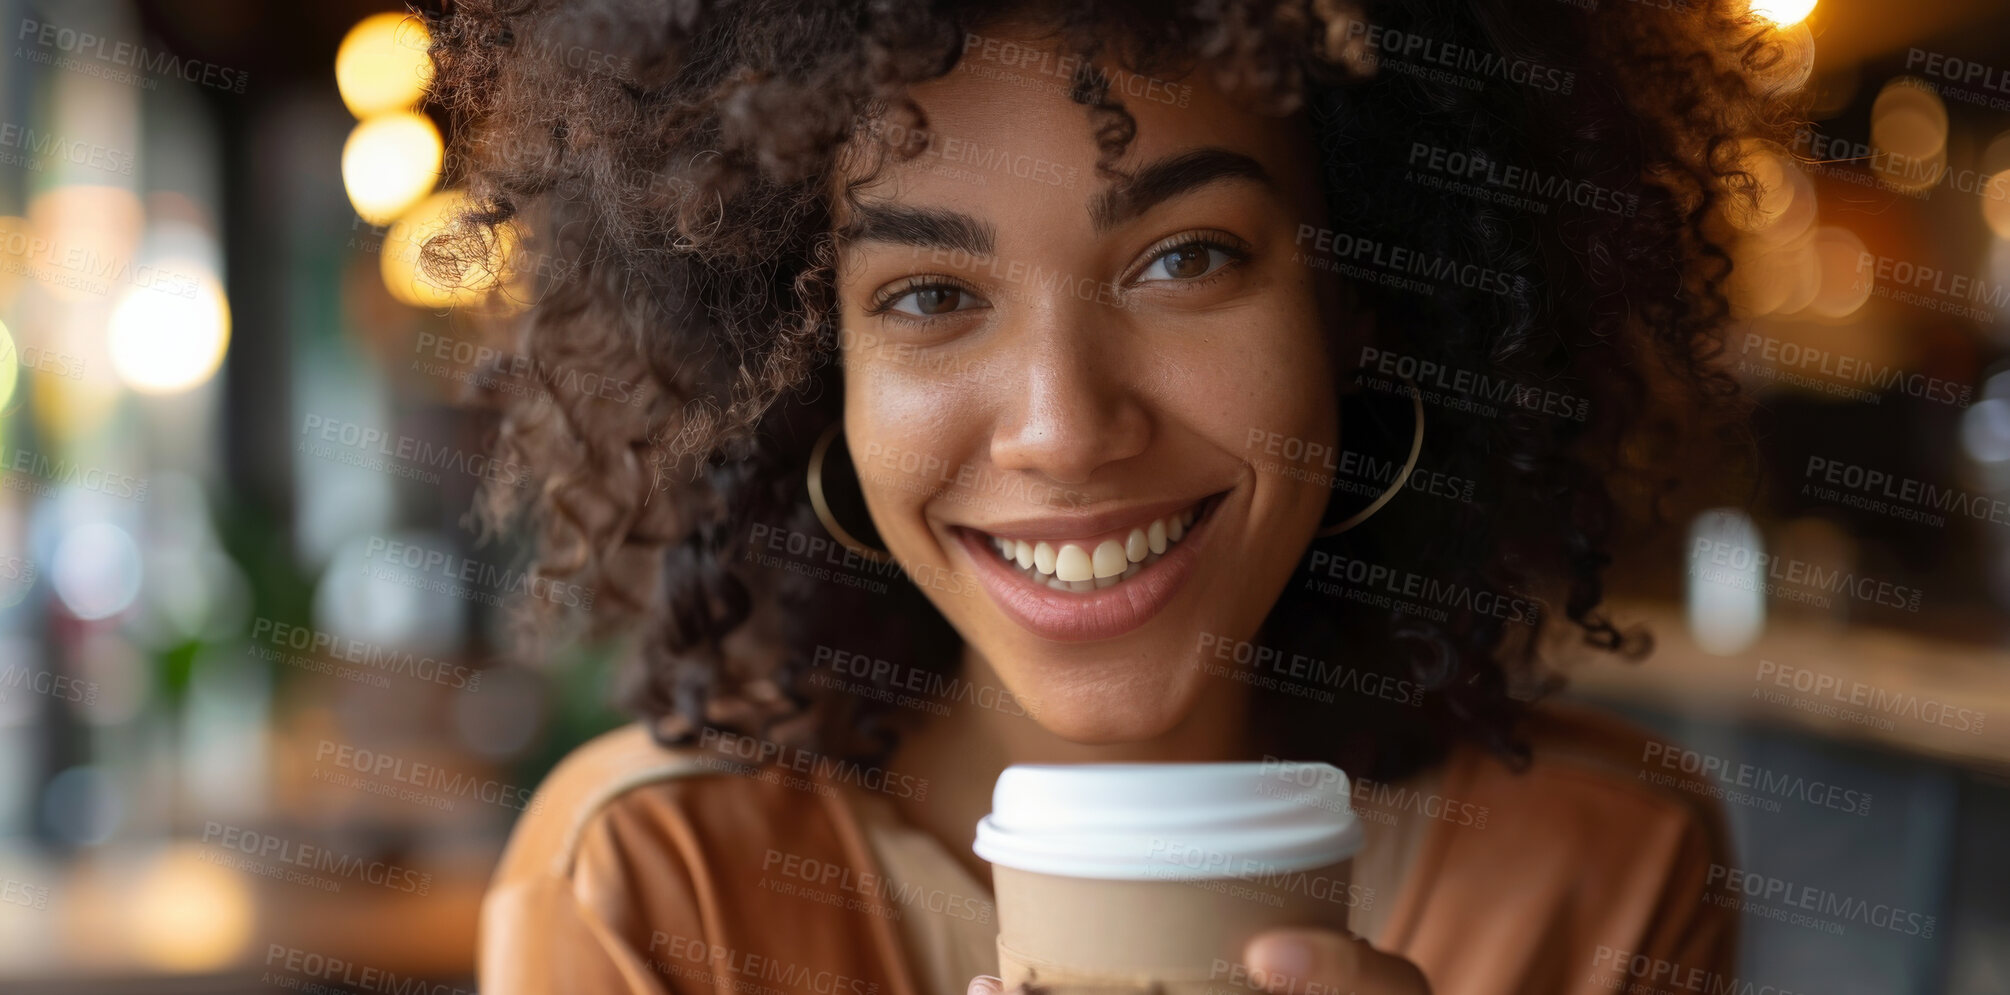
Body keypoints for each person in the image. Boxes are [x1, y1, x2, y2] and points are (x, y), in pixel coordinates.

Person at [424, 1, 1794, 991]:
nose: (1064, 430)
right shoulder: (656, 887)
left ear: (1359, 301)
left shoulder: (1599, 863)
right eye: (928, 296)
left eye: (1185, 260)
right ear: (807, 375)